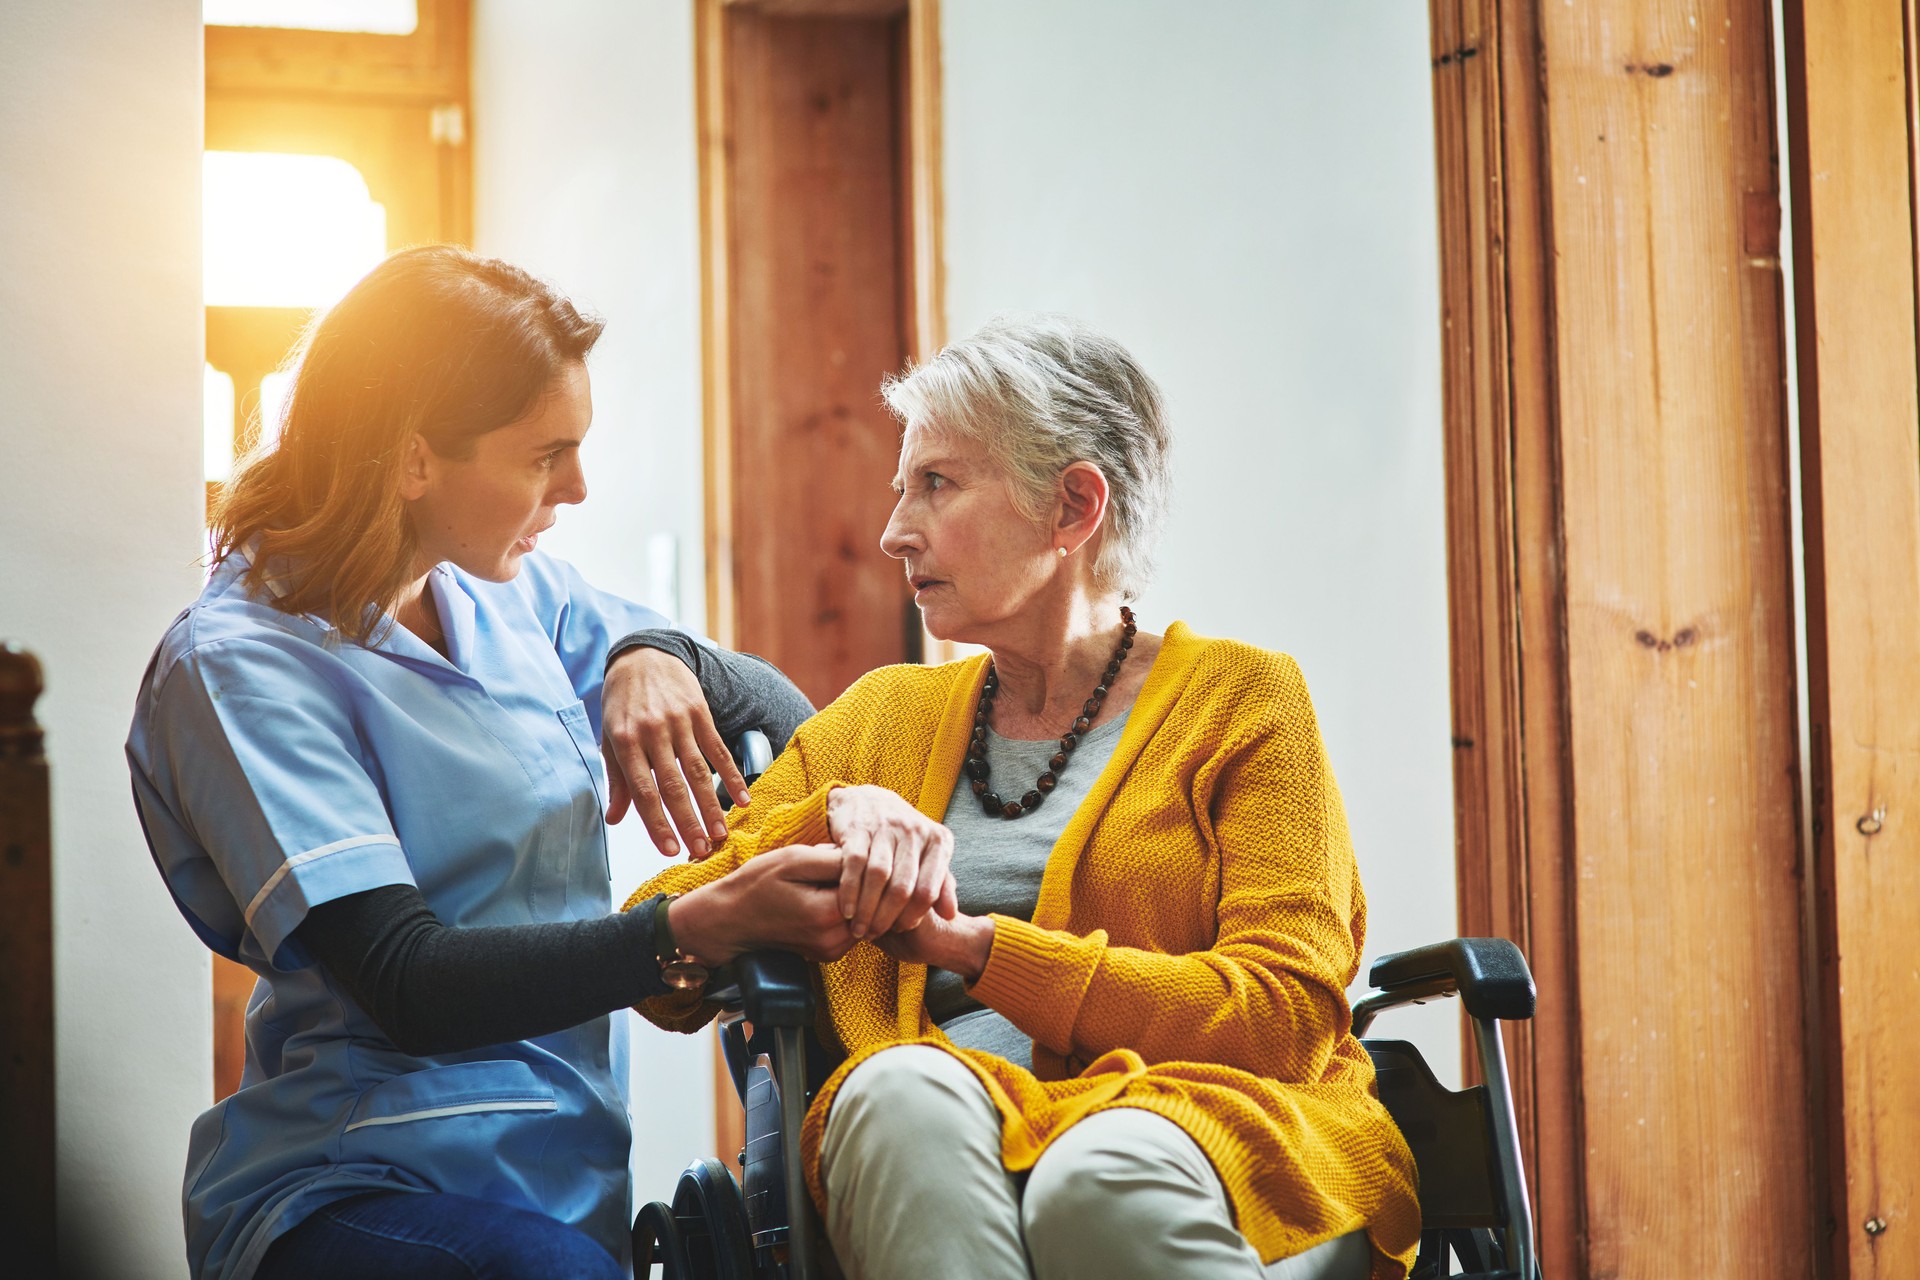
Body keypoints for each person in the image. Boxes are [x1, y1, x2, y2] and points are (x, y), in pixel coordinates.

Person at [126, 246, 898, 1280]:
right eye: (546, 455)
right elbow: (407, 978)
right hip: (359, 1186)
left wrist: (657, 653)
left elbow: (778, 714)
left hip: (563, 1179)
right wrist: (687, 927)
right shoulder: (237, 665)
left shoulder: (509, 594)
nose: (578, 486)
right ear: (413, 460)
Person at [626, 316, 1421, 1280]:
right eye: (900, 488)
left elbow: (1285, 1017)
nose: (893, 531)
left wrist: (977, 950)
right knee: (890, 1094)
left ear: (1073, 508)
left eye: (938, 484)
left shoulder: (1245, 700)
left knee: (1101, 1184)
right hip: (945, 1138)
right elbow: (649, 943)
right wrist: (832, 818)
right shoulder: (882, 719)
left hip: (1216, 1126)